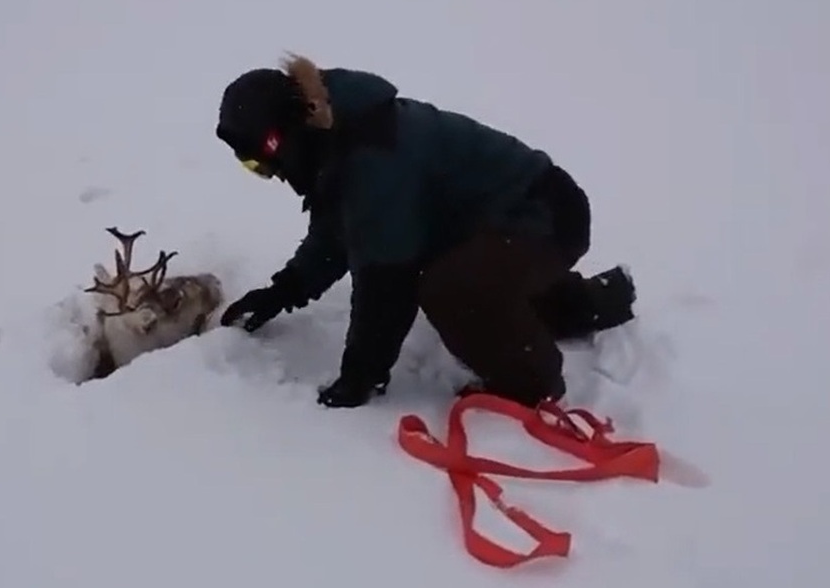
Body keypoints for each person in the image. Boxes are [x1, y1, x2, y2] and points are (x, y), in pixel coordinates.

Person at [215, 54, 636, 409]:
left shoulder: (369, 156)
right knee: (455, 268)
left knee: (450, 290)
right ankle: (584, 305)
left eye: (261, 162)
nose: (268, 175)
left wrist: (360, 378)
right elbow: (335, 234)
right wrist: (282, 292)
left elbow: (385, 285)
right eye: (252, 168)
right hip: (507, 219)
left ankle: (529, 385)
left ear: (283, 137)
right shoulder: (333, 134)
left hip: (545, 217)